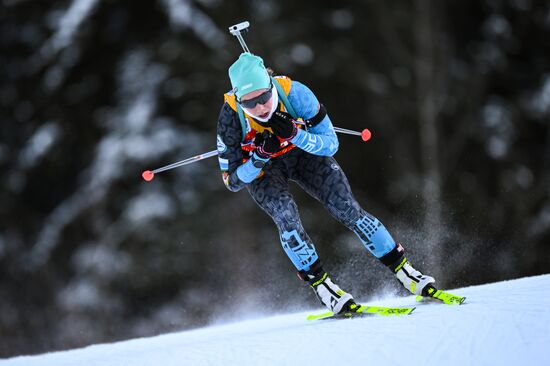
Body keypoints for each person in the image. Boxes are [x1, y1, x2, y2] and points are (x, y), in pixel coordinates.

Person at [216, 52, 437, 314]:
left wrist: (295, 134)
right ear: (238, 99)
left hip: (304, 155)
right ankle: (323, 287)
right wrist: (259, 158)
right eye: (249, 104)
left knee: (347, 208)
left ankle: (404, 271)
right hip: (266, 170)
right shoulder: (230, 118)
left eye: (264, 97)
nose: (260, 108)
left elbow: (331, 143)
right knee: (286, 215)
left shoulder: (295, 94)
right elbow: (232, 181)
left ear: (271, 85)